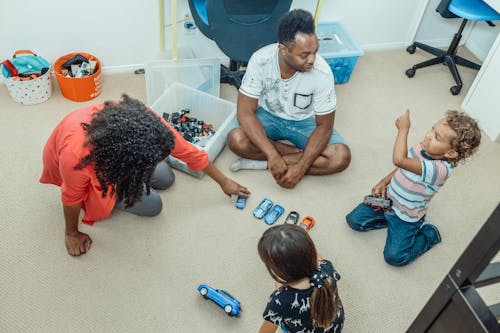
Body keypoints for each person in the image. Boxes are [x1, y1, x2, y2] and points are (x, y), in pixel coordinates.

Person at [40, 94, 250, 257]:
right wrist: (71, 233)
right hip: (90, 170)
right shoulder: (77, 157)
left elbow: (187, 151)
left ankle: (136, 175)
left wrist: (223, 181)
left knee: (166, 177)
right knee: (153, 206)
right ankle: (119, 187)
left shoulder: (145, 122)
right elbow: (71, 196)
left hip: (116, 158)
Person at [226, 9, 350, 189]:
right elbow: (245, 113)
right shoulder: (261, 60)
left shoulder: (322, 73)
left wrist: (301, 168)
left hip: (304, 121)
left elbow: (325, 126)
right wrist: (272, 154)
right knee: (236, 140)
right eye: (304, 55)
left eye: (315, 52)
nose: (312, 60)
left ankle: (265, 164)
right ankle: (288, 155)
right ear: (283, 49)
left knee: (340, 157)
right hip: (268, 116)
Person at [346, 110, 481, 266]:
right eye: (432, 129)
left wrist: (403, 129)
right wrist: (384, 181)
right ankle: (389, 223)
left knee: (394, 257)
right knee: (353, 221)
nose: (429, 135)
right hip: (388, 202)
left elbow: (399, 160)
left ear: (450, 153)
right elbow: (405, 166)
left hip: (406, 216)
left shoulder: (440, 170)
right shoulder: (424, 147)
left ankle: (429, 234)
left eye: (437, 137)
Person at [258, 224, 344, 333]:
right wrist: (301, 243)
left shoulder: (279, 300)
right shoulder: (327, 269)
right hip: (336, 326)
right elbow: (316, 256)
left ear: (278, 272)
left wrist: (279, 288)